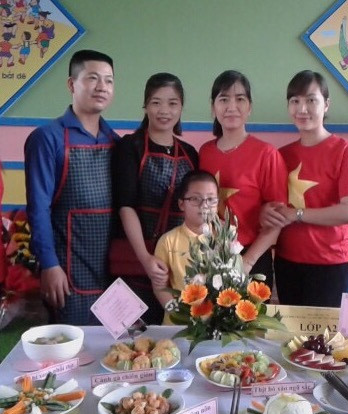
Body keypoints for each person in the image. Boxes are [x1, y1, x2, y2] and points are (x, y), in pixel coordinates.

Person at [24, 49, 117, 324]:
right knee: (73, 343)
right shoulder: (47, 139)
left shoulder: (116, 142)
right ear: (71, 84)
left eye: (109, 80)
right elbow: (38, 209)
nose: (102, 87)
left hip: (111, 270)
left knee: (117, 345)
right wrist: (50, 265)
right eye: (92, 78)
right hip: (67, 269)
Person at [266, 70, 348, 307]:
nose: (302, 109)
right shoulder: (281, 155)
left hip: (330, 263)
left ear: (326, 104)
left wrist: (297, 214)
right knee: (291, 329)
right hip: (287, 260)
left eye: (311, 100)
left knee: (323, 330)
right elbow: (273, 206)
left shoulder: (346, 152)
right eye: (295, 101)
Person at [112, 73, 198, 324]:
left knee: (177, 332)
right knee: (132, 335)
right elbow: (126, 206)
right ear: (145, 106)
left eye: (172, 103)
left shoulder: (191, 153)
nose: (164, 111)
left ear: (181, 107)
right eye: (156, 102)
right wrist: (146, 258)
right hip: (135, 260)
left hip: (177, 262)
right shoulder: (130, 146)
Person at [199, 70, 287, 292]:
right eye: (223, 99)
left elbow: (277, 220)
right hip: (210, 258)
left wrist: (246, 263)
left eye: (240, 99)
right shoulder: (204, 152)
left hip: (252, 259)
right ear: (213, 107)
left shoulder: (266, 154)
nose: (232, 106)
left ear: (250, 107)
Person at [153, 170, 219, 309]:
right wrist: (178, 314)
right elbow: (160, 287)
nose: (204, 205)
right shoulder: (168, 241)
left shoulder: (225, 237)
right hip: (181, 318)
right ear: (181, 204)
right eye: (195, 199)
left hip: (218, 318)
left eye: (211, 199)